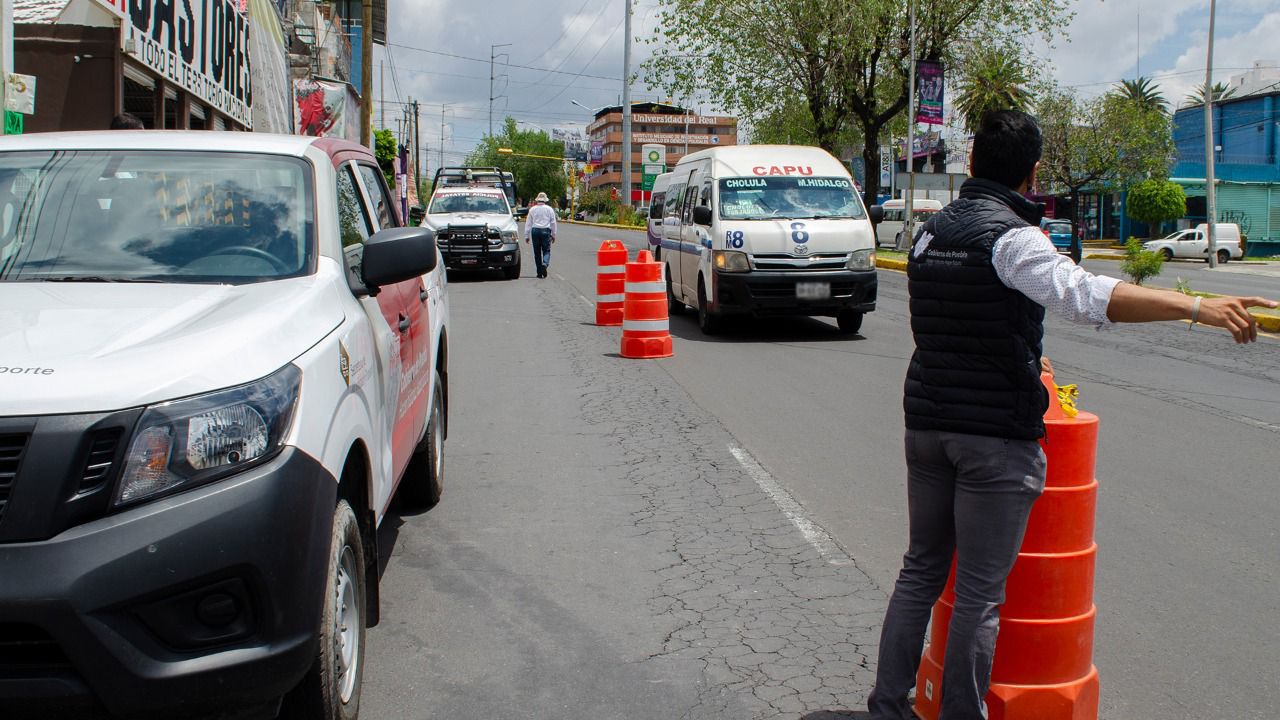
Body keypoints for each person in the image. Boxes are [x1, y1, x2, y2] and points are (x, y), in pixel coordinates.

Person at [867, 110, 1275, 720]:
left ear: (973, 161)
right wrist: (1194, 306)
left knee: (920, 571)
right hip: (993, 440)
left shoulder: (930, 232)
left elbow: (960, 322)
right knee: (979, 594)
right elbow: (1085, 296)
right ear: (1033, 174)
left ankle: (887, 707)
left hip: (927, 426)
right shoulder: (1012, 236)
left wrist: (1027, 350)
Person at [524, 191, 557, 279]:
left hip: (535, 231)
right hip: (546, 231)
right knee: (546, 250)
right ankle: (545, 264)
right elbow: (553, 223)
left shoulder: (532, 209)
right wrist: (553, 234)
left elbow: (528, 223)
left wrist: (526, 236)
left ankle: (539, 272)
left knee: (537, 252)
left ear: (537, 200)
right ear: (545, 200)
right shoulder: (549, 209)